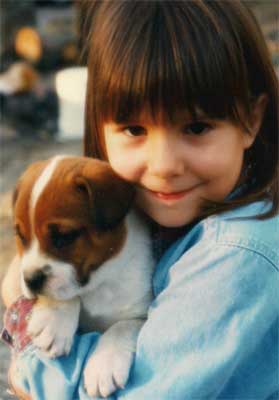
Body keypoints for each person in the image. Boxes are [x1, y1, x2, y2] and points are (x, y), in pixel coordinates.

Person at [2, 1, 278, 399]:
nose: (163, 166)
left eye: (196, 127)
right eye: (134, 129)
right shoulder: (158, 211)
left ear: (252, 121)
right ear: (99, 124)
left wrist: (27, 360)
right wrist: (60, 305)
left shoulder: (237, 258)